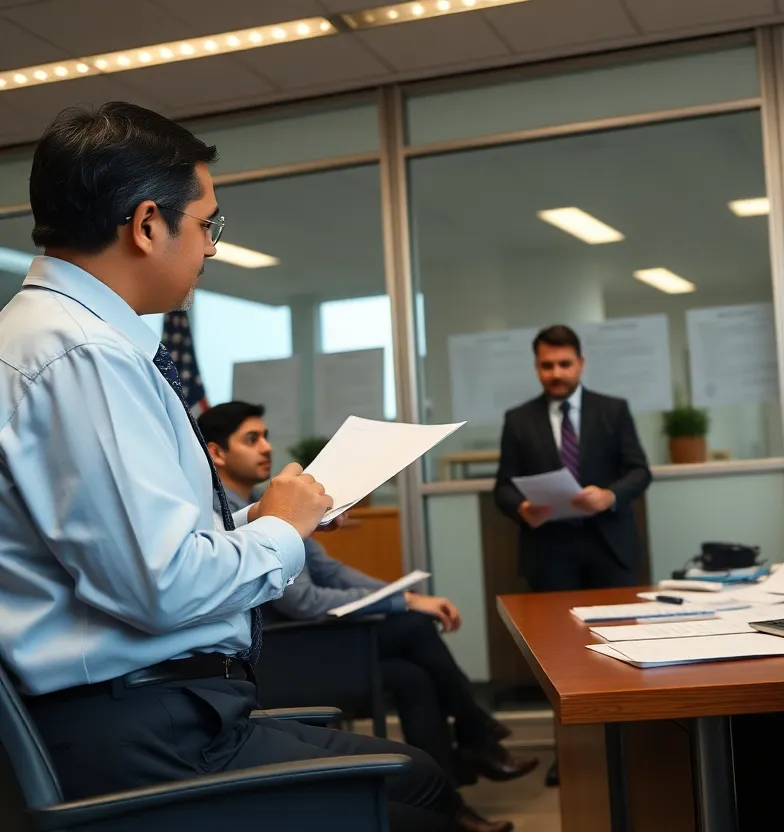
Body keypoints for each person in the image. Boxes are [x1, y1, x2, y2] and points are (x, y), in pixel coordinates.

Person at [0, 102, 463, 832]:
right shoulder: (82, 356)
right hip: (144, 728)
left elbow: (128, 543)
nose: (211, 248)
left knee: (420, 780)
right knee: (418, 804)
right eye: (206, 223)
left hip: (156, 711)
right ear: (146, 224)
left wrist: (271, 518)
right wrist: (279, 531)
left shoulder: (62, 341)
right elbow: (161, 586)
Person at [197, 401, 539, 809]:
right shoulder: (214, 514)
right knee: (414, 628)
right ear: (217, 453)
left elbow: (331, 571)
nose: (267, 447)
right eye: (252, 439)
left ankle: (452, 801)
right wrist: (403, 602)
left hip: (311, 640)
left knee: (413, 678)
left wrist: (402, 595)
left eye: (266, 436)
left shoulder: (264, 500)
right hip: (284, 651)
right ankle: (476, 735)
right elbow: (304, 601)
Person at [493, 324, 651, 785]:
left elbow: (640, 470)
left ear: (580, 363)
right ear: (536, 367)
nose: (556, 373)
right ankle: (572, 755)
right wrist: (521, 508)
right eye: (547, 365)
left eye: (564, 364)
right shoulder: (518, 419)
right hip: (550, 551)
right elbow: (502, 486)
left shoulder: (612, 409)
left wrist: (610, 495)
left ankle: (629, 747)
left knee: (620, 650)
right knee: (561, 659)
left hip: (609, 546)